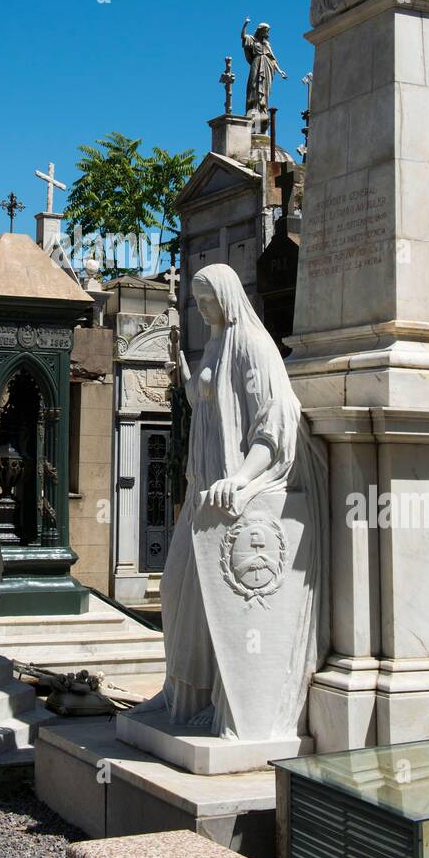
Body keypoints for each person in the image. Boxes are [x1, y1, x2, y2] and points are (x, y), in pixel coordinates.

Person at [143, 262, 327, 740]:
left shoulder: (251, 344)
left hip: (226, 491)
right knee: (175, 590)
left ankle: (222, 703)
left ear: (226, 296)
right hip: (202, 487)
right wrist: (183, 372)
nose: (203, 310)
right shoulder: (218, 342)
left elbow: (276, 420)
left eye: (207, 301)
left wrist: (243, 481)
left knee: (213, 601)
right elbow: (206, 401)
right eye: (198, 302)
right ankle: (184, 695)